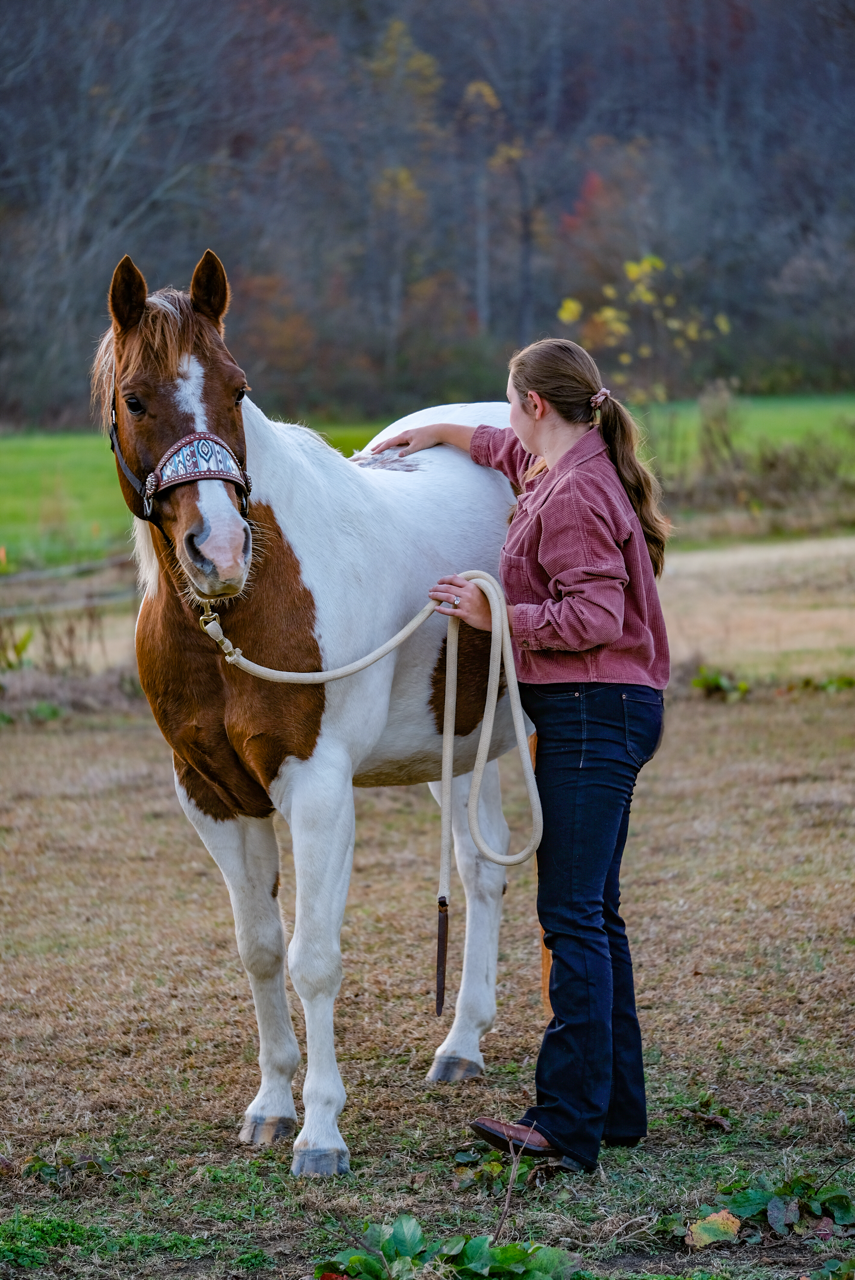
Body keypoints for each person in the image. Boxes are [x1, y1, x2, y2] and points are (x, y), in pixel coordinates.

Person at [375, 338, 669, 1173]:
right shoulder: (562, 463)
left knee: (570, 919)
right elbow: (505, 450)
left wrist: (489, 612)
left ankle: (566, 1125)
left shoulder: (576, 493)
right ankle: (614, 1110)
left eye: (510, 403)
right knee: (595, 916)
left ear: (536, 404)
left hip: (591, 713)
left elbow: (594, 619)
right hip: (607, 709)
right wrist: (439, 435)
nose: (505, 419)